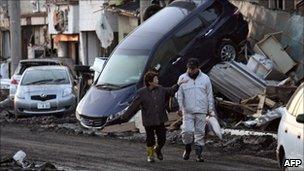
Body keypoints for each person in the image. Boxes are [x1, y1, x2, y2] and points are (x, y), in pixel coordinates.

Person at [113, 71, 187, 162]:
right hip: (148, 120)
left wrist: (178, 84)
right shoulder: (141, 92)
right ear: (150, 82)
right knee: (150, 139)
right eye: (156, 79)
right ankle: (150, 155)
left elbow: (171, 91)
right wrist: (124, 117)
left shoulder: (161, 89)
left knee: (162, 139)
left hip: (160, 119)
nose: (158, 80)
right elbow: (133, 106)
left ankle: (158, 149)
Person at [177, 58, 215, 162]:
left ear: (198, 68)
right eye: (189, 68)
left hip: (201, 110)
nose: (191, 70)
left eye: (193, 69)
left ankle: (199, 154)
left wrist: (210, 109)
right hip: (187, 111)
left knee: (200, 133)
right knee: (187, 131)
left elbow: (209, 95)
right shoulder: (182, 78)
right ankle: (187, 148)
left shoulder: (205, 78)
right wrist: (180, 108)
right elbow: (180, 95)